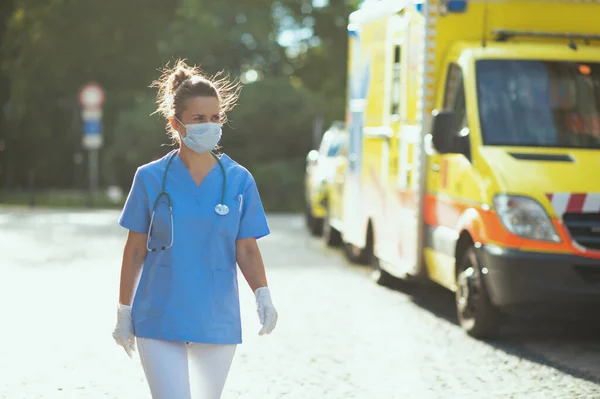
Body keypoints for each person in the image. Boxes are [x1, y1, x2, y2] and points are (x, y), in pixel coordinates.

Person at [111, 59, 278, 399]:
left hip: (216, 318)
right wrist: (123, 310)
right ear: (177, 124)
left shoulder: (239, 180)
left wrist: (263, 294)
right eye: (199, 119)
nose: (209, 125)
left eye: (215, 118)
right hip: (159, 315)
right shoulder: (150, 178)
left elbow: (245, 248)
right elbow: (135, 250)